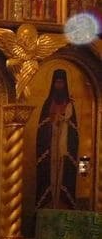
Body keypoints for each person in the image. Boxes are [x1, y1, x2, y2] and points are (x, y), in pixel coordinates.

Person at [34, 68, 79, 211]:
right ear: (53, 84)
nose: (59, 85)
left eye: (61, 82)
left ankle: (63, 206)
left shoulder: (70, 105)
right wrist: (53, 122)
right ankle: (48, 206)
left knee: (63, 175)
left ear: (65, 84)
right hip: (50, 146)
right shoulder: (48, 104)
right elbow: (42, 128)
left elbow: (74, 132)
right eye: (57, 82)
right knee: (49, 175)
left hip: (64, 148)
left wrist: (64, 121)